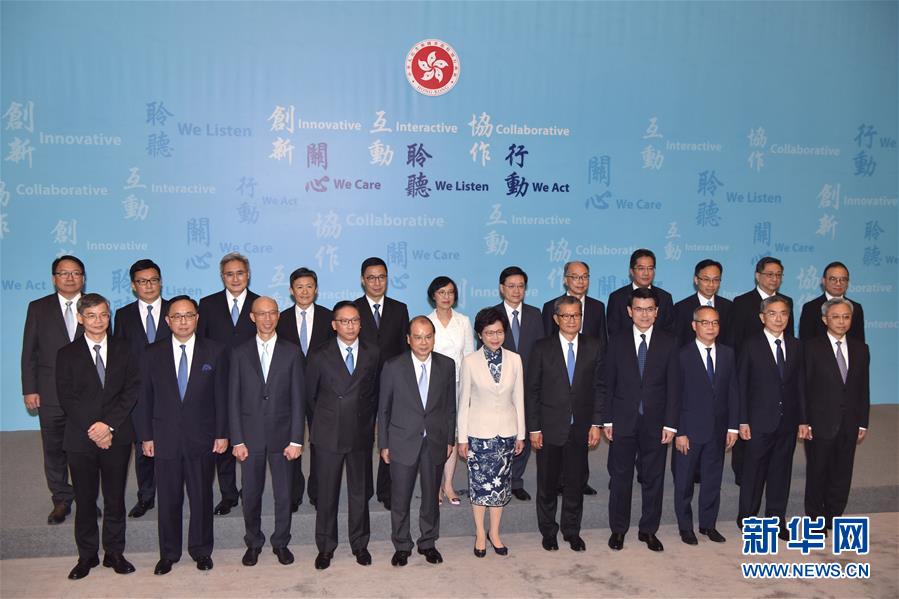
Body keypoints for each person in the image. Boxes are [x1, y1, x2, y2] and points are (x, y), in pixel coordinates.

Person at [138, 296, 229, 575]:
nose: (183, 321)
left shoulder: (215, 351)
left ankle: (201, 551)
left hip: (202, 437)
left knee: (201, 497)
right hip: (164, 437)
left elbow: (222, 396)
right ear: (167, 321)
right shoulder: (151, 353)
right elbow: (144, 398)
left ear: (197, 318)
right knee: (168, 498)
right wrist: (146, 436)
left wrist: (222, 433)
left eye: (189, 315)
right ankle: (168, 553)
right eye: (177, 316)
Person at [56, 293, 139, 579]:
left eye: (103, 314)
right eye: (91, 316)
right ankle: (87, 556)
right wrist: (94, 429)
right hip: (81, 438)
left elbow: (131, 390)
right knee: (86, 499)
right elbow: (67, 398)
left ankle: (114, 552)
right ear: (80, 319)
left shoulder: (125, 349)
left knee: (115, 498)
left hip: (117, 435)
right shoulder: (66, 354)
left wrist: (109, 426)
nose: (98, 320)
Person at [305, 301, 381, 570]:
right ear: (334, 325)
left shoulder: (373, 352)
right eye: (344, 321)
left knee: (359, 493)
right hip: (328, 433)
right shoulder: (319, 354)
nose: (350, 326)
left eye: (355, 320)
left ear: (361, 324)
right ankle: (325, 548)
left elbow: (374, 393)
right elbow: (310, 396)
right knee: (327, 493)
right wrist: (326, 420)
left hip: (359, 432)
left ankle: (360, 545)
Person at [230, 297, 305, 567]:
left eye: (272, 313)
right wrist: (237, 439)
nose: (267, 318)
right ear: (252, 317)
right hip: (249, 438)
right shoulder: (239, 352)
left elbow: (298, 399)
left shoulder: (292, 352)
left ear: (278, 316)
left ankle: (281, 542)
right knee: (251, 494)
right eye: (261, 314)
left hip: (283, 437)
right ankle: (253, 542)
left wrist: (296, 439)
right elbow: (233, 399)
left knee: (283, 495)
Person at [527, 296, 605, 553]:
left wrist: (596, 424)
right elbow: (532, 390)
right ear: (556, 318)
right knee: (547, 484)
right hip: (549, 427)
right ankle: (548, 532)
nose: (572, 320)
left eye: (576, 315)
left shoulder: (594, 345)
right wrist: (534, 428)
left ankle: (572, 531)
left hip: (580, 428)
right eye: (566, 316)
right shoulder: (541, 348)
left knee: (574, 483)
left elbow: (599, 387)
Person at [604, 288, 679, 552]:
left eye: (649, 309)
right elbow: (608, 383)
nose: (644, 314)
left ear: (657, 312)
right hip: (623, 421)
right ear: (629, 311)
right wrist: (607, 420)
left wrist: (671, 423)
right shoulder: (617, 340)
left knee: (653, 479)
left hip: (657, 424)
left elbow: (674, 386)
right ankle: (618, 529)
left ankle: (648, 530)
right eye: (639, 309)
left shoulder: (669, 341)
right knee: (621, 478)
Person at [378, 316, 456, 567]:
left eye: (428, 337)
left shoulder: (447, 365)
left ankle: (428, 542)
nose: (423, 342)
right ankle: (402, 545)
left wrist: (449, 438)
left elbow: (450, 407)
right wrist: (384, 444)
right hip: (402, 441)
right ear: (408, 339)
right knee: (400, 498)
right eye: (418, 337)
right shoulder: (393, 366)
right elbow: (384, 409)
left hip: (435, 441)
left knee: (431, 498)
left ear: (434, 338)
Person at [737, 295, 808, 540]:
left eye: (783, 314)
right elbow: (741, 385)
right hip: (758, 422)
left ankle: (776, 519)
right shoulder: (750, 345)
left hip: (787, 422)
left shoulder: (796, 345)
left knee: (781, 472)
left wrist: (803, 419)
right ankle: (747, 516)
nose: (778, 319)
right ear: (762, 317)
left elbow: (800, 385)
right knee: (754, 472)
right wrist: (742, 420)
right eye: (772, 313)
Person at [21, 255, 85, 524]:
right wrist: (30, 389)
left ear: (83, 278)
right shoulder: (38, 308)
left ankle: (86, 499)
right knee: (54, 447)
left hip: (86, 394)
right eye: (63, 273)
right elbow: (29, 352)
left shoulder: (94, 306)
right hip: (49, 391)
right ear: (53, 278)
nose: (70, 278)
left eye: (75, 273)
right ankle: (61, 498)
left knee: (84, 449)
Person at [457, 307, 525, 558]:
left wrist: (521, 434)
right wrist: (462, 438)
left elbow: (519, 398)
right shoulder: (470, 362)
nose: (495, 337)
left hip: (506, 432)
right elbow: (463, 402)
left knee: (500, 488)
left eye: (499, 332)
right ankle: (479, 533)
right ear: (480, 334)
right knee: (480, 487)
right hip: (479, 434)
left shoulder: (515, 359)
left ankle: (494, 533)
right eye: (489, 333)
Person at [198, 252, 260, 515]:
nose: (235, 278)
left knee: (251, 439)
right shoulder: (207, 304)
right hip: (218, 382)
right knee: (222, 438)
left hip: (253, 383)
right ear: (222, 277)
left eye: (240, 273)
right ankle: (228, 494)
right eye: (229, 274)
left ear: (248, 275)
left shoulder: (260, 304)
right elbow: (200, 344)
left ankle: (250, 490)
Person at [672, 306, 739, 545]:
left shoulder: (728, 354)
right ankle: (685, 527)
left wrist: (732, 427)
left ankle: (708, 525)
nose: (711, 327)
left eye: (715, 323)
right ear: (694, 326)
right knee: (684, 482)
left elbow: (733, 391)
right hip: (689, 431)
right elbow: (675, 396)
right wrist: (679, 431)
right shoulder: (682, 355)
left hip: (718, 430)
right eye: (705, 322)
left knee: (712, 480)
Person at [540, 260, 606, 496]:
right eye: (575, 276)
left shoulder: (598, 307)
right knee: (558, 438)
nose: (580, 281)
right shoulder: (551, 306)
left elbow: (603, 341)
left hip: (586, 378)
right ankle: (558, 480)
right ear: (565, 279)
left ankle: (580, 480)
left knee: (581, 436)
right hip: (559, 380)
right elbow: (546, 344)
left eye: (585, 276)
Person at [803, 298, 870, 530]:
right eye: (836, 317)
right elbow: (804, 387)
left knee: (842, 472)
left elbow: (863, 388)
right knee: (818, 471)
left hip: (850, 421)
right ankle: (815, 517)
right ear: (825, 319)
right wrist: (805, 421)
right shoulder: (811, 347)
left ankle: (834, 514)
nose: (841, 322)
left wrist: (863, 421)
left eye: (846, 317)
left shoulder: (861, 349)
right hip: (819, 422)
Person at [730, 256, 795, 487]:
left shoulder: (787, 302)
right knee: (747, 429)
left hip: (778, 373)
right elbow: (736, 340)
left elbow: (788, 338)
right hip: (750, 371)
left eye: (778, 275)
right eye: (770, 274)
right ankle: (742, 472)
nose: (774, 279)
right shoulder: (742, 302)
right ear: (758, 276)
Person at [113, 259, 171, 519]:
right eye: (142, 281)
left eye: (153, 280)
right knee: (143, 446)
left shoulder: (175, 310)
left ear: (160, 281)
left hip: (173, 390)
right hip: (138, 392)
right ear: (133, 286)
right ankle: (146, 496)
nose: (149, 285)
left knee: (172, 445)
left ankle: (171, 494)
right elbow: (119, 354)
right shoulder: (123, 315)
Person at [275, 267, 334, 510]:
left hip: (322, 391)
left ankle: (318, 492)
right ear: (291, 290)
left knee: (320, 443)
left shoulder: (329, 317)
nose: (304, 291)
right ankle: (293, 493)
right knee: (291, 441)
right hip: (289, 391)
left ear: (316, 289)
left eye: (309, 286)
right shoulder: (281, 319)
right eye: (299, 287)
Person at [353, 257, 409, 510]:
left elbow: (403, 349)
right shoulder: (353, 309)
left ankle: (387, 489)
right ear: (363, 280)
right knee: (362, 439)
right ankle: (364, 489)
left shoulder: (399, 309)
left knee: (391, 438)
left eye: (382, 277)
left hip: (392, 384)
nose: (377, 282)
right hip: (360, 385)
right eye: (372, 278)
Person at [489, 266, 542, 501]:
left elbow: (542, 349)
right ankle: (498, 477)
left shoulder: (535, 314)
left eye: (521, 286)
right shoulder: (492, 314)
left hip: (530, 383)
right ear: (502, 288)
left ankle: (516, 480)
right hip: (499, 384)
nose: (516, 290)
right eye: (511, 286)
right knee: (500, 431)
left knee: (524, 430)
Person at [425, 275, 475, 506]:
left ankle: (449, 484)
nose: (446, 296)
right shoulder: (426, 321)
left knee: (452, 435)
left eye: (450, 292)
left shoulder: (463, 321)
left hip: (458, 385)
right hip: (431, 386)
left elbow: (468, 356)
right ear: (433, 295)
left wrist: (469, 388)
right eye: (442, 292)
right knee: (434, 434)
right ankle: (434, 485)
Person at [606, 249, 675, 337]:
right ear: (631, 271)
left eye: (650, 268)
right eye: (641, 268)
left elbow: (669, 333)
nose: (646, 273)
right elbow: (613, 333)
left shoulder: (665, 298)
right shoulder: (617, 298)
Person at [673, 259, 734, 348]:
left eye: (716, 280)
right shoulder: (681, 307)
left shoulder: (729, 306)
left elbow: (731, 339)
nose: (711, 284)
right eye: (706, 279)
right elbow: (678, 340)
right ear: (696, 280)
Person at [799, 262, 866, 341]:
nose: (838, 283)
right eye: (833, 279)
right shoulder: (810, 308)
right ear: (824, 281)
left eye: (843, 279)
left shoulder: (856, 307)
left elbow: (859, 341)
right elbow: (805, 342)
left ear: (848, 282)